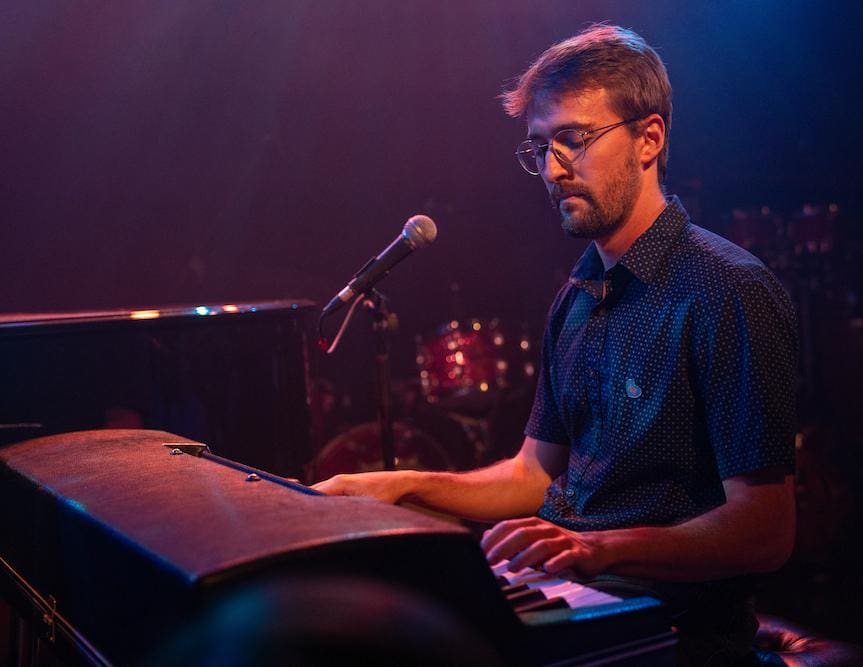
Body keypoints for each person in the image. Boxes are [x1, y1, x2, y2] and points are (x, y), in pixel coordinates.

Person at [314, 24, 797, 665]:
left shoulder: (727, 289)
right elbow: (533, 474)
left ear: (649, 139)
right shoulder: (577, 297)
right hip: (581, 590)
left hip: (673, 630)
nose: (552, 169)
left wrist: (602, 548)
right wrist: (402, 485)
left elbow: (766, 531)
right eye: (540, 147)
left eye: (574, 139)